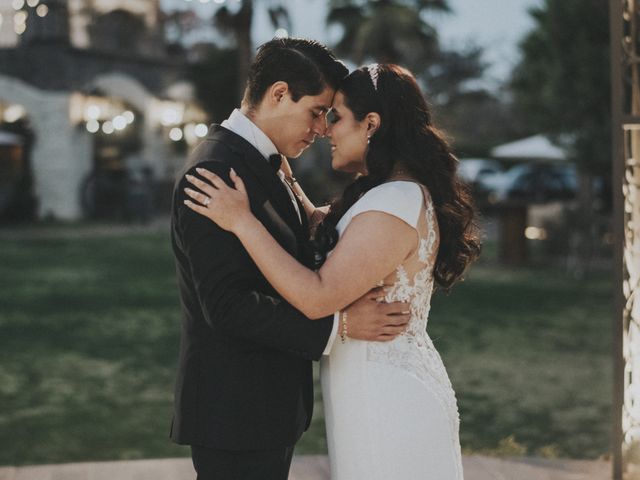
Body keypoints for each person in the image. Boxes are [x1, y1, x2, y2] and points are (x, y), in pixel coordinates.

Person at [184, 63, 481, 479]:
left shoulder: (395, 200)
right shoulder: (387, 193)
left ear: (372, 124)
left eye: (336, 117)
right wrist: (291, 187)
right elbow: (330, 231)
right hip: (368, 390)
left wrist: (241, 220)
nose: (326, 130)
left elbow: (318, 295)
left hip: (386, 397)